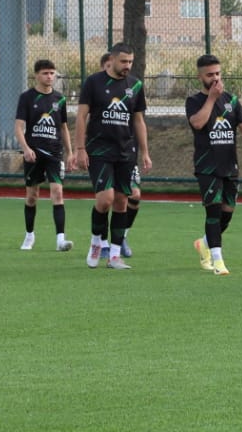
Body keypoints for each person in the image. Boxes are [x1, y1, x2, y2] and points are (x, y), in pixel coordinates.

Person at [72, 43, 151, 270]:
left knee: (121, 200)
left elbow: (138, 120)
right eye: (123, 61)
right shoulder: (93, 82)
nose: (127, 66)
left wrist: (144, 151)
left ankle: (115, 256)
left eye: (130, 62)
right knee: (104, 200)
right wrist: (79, 149)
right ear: (113, 59)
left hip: (125, 152)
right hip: (98, 150)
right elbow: (81, 117)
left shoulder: (135, 85)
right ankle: (97, 242)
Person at [188, 54, 242, 276]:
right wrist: (211, 99)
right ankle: (217, 261)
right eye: (210, 75)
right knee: (214, 211)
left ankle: (204, 243)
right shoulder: (194, 101)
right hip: (207, 166)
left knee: (227, 212)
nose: (215, 78)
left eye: (218, 73)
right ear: (200, 77)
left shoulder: (232, 100)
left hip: (230, 165)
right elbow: (198, 123)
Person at [15, 58, 74, 252]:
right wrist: (25, 148)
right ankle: (29, 235)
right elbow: (18, 127)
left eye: (52, 73)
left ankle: (60, 240)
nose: (49, 77)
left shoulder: (60, 99)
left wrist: (70, 152)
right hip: (34, 154)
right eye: (45, 73)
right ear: (36, 75)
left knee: (57, 192)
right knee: (32, 196)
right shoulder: (27, 98)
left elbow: (64, 128)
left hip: (54, 154)